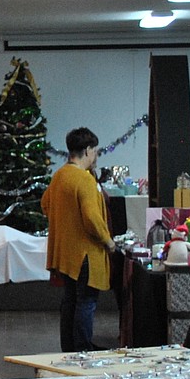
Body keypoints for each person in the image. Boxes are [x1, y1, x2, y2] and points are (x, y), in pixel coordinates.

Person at [41, 127, 115, 353]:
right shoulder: (83, 179)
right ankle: (82, 350)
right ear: (88, 150)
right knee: (86, 302)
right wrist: (108, 241)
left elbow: (45, 205)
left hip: (65, 253)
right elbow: (92, 218)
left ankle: (70, 349)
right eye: (96, 152)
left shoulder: (60, 175)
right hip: (85, 254)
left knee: (70, 302)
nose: (96, 156)